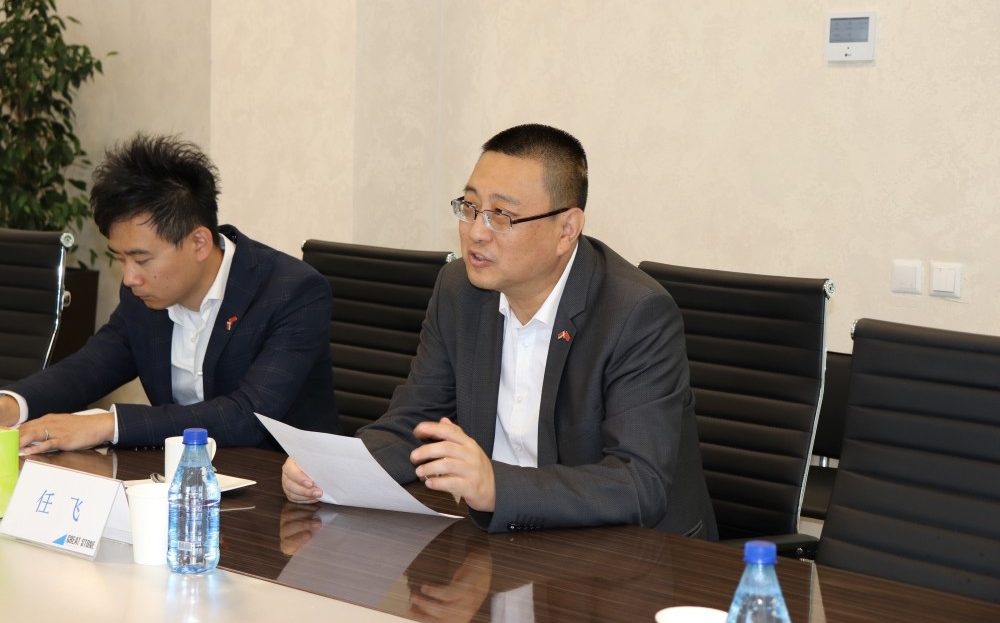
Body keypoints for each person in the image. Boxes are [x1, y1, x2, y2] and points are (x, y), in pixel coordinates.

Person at [283, 123, 716, 538]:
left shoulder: (634, 313)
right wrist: (331, 468)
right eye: (470, 207)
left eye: (501, 215)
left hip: (631, 558)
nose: (475, 232)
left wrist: (497, 487)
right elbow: (417, 422)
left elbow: (638, 483)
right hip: (502, 541)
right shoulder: (460, 290)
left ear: (566, 229)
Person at [0, 133, 340, 451]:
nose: (129, 277)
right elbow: (90, 368)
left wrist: (108, 425)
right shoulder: (144, 294)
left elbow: (247, 417)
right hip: (179, 476)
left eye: (141, 259)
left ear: (199, 243)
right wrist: (12, 404)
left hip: (288, 481)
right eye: (119, 258)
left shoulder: (291, 292)